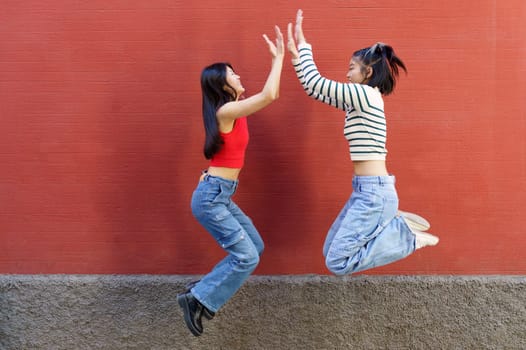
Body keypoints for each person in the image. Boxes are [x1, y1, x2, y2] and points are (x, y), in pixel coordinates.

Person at [287, 10, 439, 276]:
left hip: (374, 193)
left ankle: (406, 238)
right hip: (366, 190)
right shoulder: (359, 99)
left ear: (367, 71)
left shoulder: (364, 94)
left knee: (337, 262)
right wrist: (301, 52)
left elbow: (315, 82)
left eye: (351, 68)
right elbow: (314, 90)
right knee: (330, 252)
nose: (346, 75)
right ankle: (395, 223)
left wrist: (303, 47)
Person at [177, 25, 285, 336]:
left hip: (219, 194)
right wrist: (278, 59)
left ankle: (202, 290)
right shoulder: (227, 111)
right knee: (246, 256)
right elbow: (271, 94)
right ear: (221, 85)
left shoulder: (233, 111)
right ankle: (198, 299)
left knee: (255, 246)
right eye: (232, 74)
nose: (238, 77)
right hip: (212, 198)